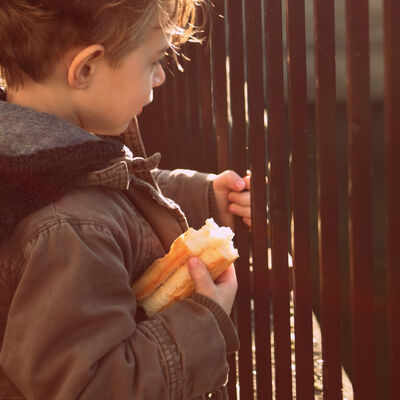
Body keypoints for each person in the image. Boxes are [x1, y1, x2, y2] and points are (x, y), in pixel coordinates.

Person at [0, 1, 252, 399]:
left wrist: (202, 196)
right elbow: (94, 389)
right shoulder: (67, 230)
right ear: (85, 68)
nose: (161, 77)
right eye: (153, 61)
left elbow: (108, 192)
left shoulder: (34, 160)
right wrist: (204, 321)